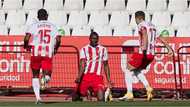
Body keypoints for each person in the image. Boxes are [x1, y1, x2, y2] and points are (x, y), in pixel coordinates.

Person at [119, 11, 173, 101]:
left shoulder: (141, 24)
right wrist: (169, 49)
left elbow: (144, 34)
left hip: (143, 53)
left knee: (127, 69)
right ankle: (148, 88)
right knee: (136, 71)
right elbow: (161, 38)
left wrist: (143, 49)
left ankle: (129, 93)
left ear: (138, 18)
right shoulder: (153, 26)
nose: (135, 21)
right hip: (151, 55)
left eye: (135, 19)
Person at [23, 9, 61, 104]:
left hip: (36, 52)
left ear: (38, 16)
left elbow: (26, 38)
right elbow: (59, 39)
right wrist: (56, 48)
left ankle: (38, 98)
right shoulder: (52, 26)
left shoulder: (33, 25)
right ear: (47, 16)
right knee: (48, 73)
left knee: (35, 75)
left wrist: (26, 46)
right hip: (47, 52)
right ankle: (45, 78)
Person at [75, 32, 112, 102]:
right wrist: (79, 77)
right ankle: (86, 94)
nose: (94, 40)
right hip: (86, 76)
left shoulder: (103, 49)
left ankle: (94, 93)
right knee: (78, 96)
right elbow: (82, 64)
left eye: (96, 39)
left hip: (97, 77)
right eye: (93, 38)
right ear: (89, 39)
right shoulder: (84, 49)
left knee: (101, 98)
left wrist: (109, 80)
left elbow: (106, 65)